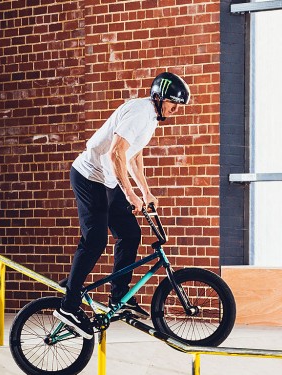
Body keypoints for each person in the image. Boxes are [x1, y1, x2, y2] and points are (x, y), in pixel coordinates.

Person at [54, 72, 191, 339]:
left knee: (130, 233)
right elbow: (116, 152)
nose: (175, 111)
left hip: (107, 179)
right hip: (89, 175)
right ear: (160, 97)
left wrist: (146, 192)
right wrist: (129, 193)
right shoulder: (140, 112)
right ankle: (69, 305)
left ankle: (120, 298)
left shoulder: (151, 118)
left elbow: (133, 155)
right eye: (174, 104)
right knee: (94, 240)